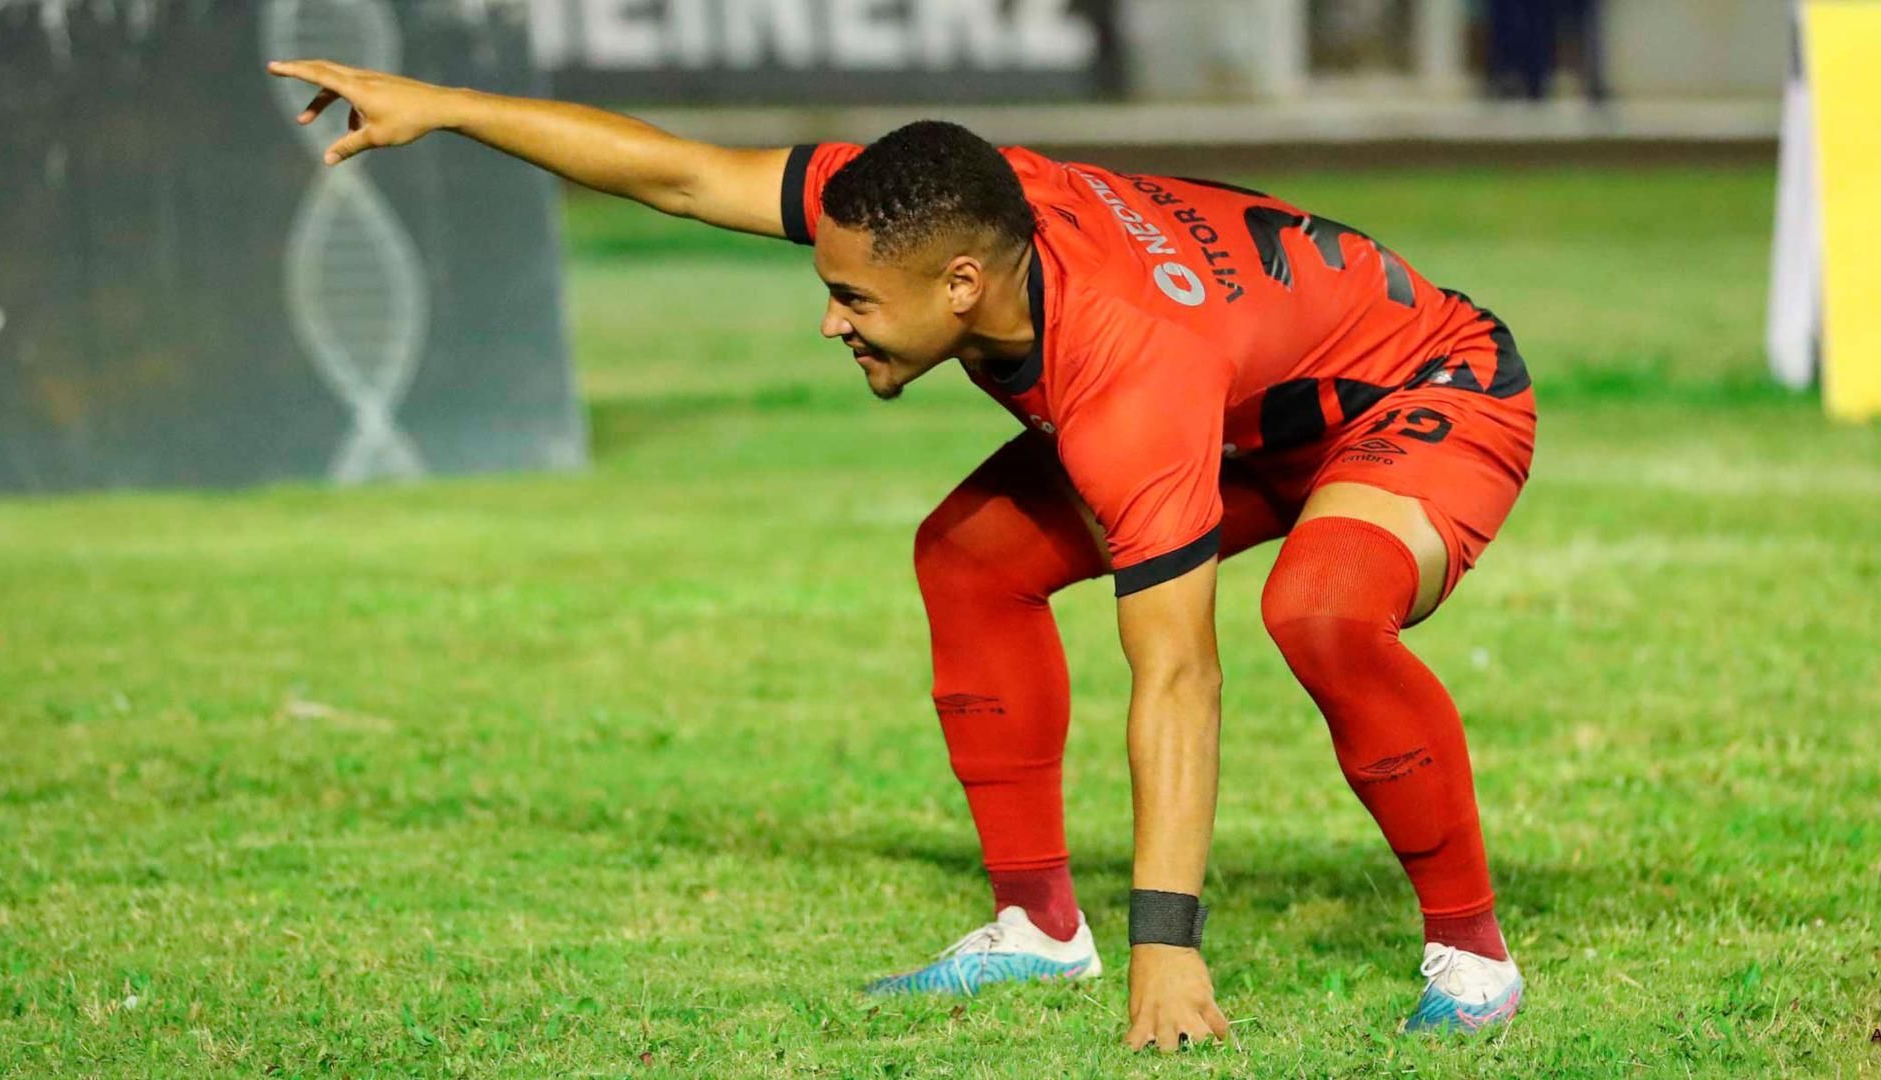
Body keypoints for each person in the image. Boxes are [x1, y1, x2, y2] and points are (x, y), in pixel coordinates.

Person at [266, 58, 1534, 1049]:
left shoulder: (1125, 380)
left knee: (1319, 611)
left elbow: (1178, 680)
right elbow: (688, 177)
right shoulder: (938, 210)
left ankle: (1474, 960)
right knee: (970, 559)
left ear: (965, 283)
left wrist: (1171, 945)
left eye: (857, 303)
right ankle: (1038, 927)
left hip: (1420, 388)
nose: (832, 320)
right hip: (1250, 397)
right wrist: (440, 106)